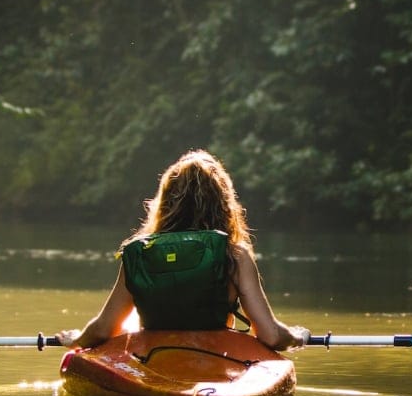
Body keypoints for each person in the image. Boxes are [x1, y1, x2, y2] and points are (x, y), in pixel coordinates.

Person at [55, 149, 309, 352]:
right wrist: (296, 336)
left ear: (165, 202)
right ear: (223, 203)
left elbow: (103, 330)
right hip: (216, 358)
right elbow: (271, 336)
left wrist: (78, 339)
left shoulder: (141, 254)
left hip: (152, 359)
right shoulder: (235, 256)